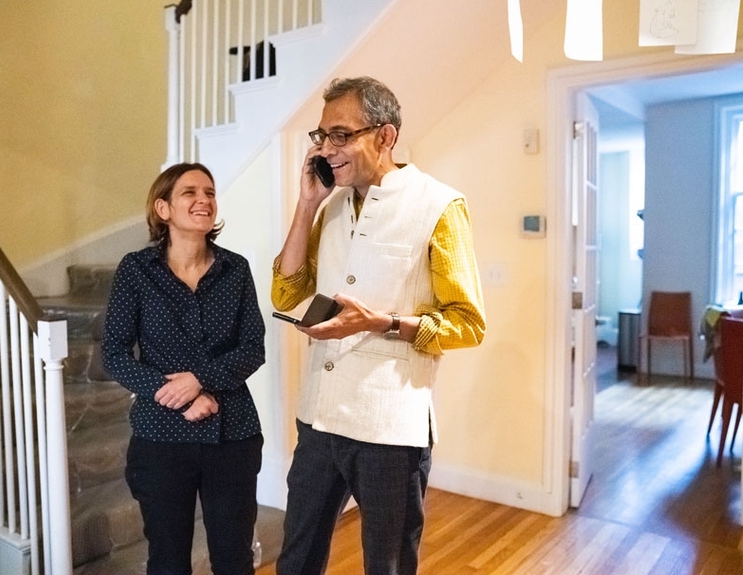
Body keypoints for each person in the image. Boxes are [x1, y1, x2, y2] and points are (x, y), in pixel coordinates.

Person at [271, 76, 486, 575]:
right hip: (319, 418)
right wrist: (306, 205)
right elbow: (286, 292)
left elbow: (468, 323)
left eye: (341, 135)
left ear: (385, 136)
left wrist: (384, 322)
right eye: (321, 136)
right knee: (297, 559)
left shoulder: (439, 205)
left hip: (389, 428)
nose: (326, 148)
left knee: (386, 566)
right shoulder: (332, 205)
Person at [102, 162, 265, 575]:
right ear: (163, 208)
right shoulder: (136, 270)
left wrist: (199, 381)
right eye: (190, 192)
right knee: (168, 560)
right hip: (160, 438)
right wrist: (176, 395)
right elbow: (115, 353)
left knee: (233, 557)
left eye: (209, 192)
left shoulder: (236, 269)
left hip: (233, 435)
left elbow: (253, 348)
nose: (204, 200)